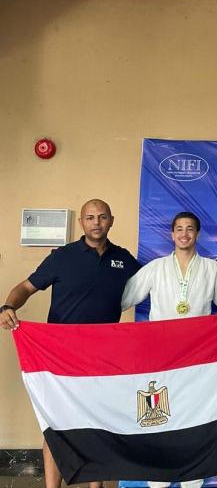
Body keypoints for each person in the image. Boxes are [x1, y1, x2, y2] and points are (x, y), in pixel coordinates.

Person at [0, 198, 141, 488]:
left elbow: (155, 283)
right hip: (59, 354)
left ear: (111, 220)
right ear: (82, 223)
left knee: (98, 423)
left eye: (102, 217)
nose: (96, 223)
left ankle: (96, 485)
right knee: (56, 425)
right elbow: (25, 288)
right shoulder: (62, 257)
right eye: (90, 218)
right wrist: (7, 307)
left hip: (103, 355)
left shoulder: (123, 259)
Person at [120, 211, 217, 488]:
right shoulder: (156, 268)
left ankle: (192, 477)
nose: (184, 233)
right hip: (160, 355)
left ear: (198, 234)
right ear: (171, 234)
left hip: (197, 355)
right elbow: (123, 299)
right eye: (179, 229)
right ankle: (159, 476)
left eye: (190, 229)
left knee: (194, 415)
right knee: (158, 415)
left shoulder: (211, 268)